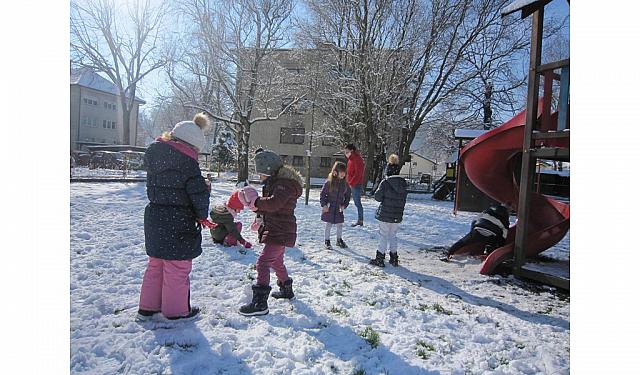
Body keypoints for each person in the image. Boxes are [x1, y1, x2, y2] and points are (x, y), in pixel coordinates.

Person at [137, 113, 217, 322]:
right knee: (177, 268)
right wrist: (202, 213)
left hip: (155, 216)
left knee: (156, 265)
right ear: (192, 146)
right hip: (178, 219)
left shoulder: (155, 157)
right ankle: (176, 311)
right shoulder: (188, 165)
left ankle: (148, 307)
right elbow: (197, 195)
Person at [236, 149, 303, 316]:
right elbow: (270, 208)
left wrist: (257, 202)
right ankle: (286, 290)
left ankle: (260, 304)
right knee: (276, 263)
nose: (260, 177)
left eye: (261, 174)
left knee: (263, 263)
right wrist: (257, 210)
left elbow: (274, 204)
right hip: (277, 228)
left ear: (269, 171)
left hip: (280, 231)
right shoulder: (276, 184)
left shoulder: (283, 185)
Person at [369, 154, 408, 267]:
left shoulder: (385, 183)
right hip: (397, 215)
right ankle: (394, 257)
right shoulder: (403, 183)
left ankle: (380, 258)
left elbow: (378, 197)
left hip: (385, 214)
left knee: (383, 236)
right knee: (393, 235)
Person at [444, 204, 510, 260]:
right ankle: (489, 252)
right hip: (491, 233)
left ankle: (450, 252)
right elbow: (504, 233)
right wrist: (501, 245)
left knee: (463, 242)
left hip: (478, 229)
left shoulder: (487, 211)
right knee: (495, 241)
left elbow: (474, 220)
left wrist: (472, 232)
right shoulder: (505, 219)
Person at [320, 161, 351, 249]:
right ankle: (327, 240)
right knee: (328, 224)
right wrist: (324, 205)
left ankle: (339, 240)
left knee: (340, 224)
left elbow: (348, 197)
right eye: (341, 172)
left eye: (344, 172)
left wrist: (344, 205)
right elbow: (322, 194)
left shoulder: (345, 185)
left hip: (338, 209)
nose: (343, 174)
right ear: (335, 172)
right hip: (329, 208)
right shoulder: (329, 183)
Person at [344, 143, 365, 226]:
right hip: (350, 183)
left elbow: (358, 174)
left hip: (355, 184)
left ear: (351, 151)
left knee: (357, 202)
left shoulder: (357, 159)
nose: (346, 153)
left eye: (347, 151)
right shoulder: (351, 159)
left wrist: (351, 183)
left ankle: (360, 220)